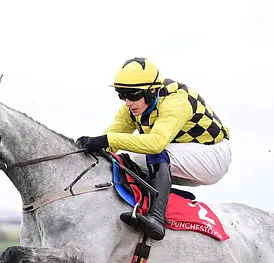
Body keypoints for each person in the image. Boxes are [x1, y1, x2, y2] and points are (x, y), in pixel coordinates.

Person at [76, 57, 231, 241]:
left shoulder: (176, 100)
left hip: (213, 156)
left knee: (152, 151)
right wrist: (89, 147)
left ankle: (156, 218)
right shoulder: (132, 109)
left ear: (152, 91)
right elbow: (110, 144)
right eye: (122, 95)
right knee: (127, 159)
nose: (128, 102)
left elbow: (155, 143)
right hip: (183, 155)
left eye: (133, 95)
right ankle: (163, 198)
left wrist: (106, 140)